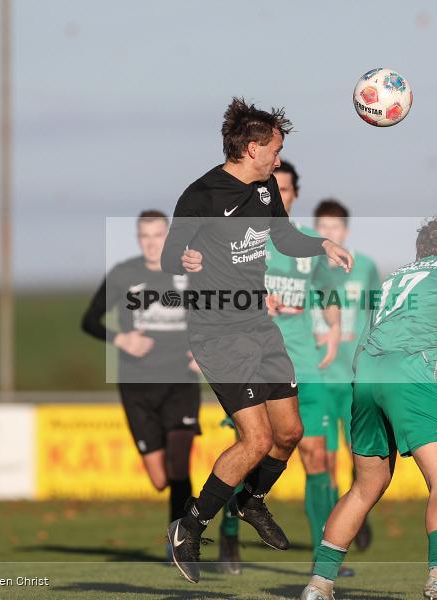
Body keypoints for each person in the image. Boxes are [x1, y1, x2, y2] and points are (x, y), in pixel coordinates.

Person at [160, 98, 353, 584]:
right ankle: (190, 526)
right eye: (275, 150)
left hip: (257, 325)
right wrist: (183, 262)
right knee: (257, 438)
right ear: (251, 149)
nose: (279, 160)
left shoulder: (266, 186)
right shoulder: (200, 197)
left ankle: (250, 501)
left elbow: (284, 239)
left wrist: (322, 244)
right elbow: (168, 256)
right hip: (217, 332)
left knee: (289, 433)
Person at [300, 215, 437, 600]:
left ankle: (318, 584)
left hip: (366, 373)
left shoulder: (398, 276)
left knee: (365, 487)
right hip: (413, 370)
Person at [216, 160, 346, 576]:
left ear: (294, 195)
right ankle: (230, 537)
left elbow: (328, 293)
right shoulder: (251, 242)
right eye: (275, 189)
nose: (280, 195)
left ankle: (324, 559)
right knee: (251, 449)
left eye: (287, 190)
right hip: (254, 362)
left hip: (305, 366)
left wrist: (333, 326)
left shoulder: (305, 246)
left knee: (318, 458)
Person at [81, 210, 201, 557]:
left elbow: (214, 314)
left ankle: (179, 542)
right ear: (138, 239)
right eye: (145, 236)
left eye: (158, 236)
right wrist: (121, 339)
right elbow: (89, 320)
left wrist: (202, 348)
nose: (152, 243)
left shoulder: (189, 272)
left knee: (180, 466)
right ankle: (181, 530)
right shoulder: (124, 274)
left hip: (180, 381)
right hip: (137, 386)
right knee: (160, 479)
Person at [311, 199, 380, 552]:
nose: (329, 233)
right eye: (322, 228)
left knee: (361, 456)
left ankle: (359, 510)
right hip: (320, 378)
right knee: (324, 460)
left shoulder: (364, 267)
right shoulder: (306, 269)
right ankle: (328, 537)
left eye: (334, 227)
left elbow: (377, 313)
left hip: (355, 378)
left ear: (346, 232)